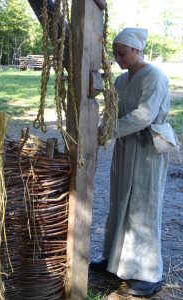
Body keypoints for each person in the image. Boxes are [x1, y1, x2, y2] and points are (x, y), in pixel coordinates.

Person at [90, 27, 175, 297]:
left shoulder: (155, 77)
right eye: (115, 54)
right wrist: (102, 126)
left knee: (142, 206)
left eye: (122, 53)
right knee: (119, 202)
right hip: (126, 145)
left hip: (148, 147)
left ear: (137, 50)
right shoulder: (119, 81)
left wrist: (106, 131)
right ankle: (114, 261)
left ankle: (149, 274)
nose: (118, 59)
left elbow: (144, 115)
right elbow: (113, 111)